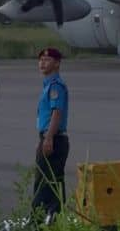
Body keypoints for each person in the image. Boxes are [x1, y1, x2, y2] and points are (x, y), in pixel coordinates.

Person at [32, 47, 70, 221]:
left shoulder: (55, 86)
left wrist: (48, 139)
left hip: (53, 137)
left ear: (57, 63)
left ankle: (40, 217)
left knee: (46, 180)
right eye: (40, 60)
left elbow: (56, 112)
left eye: (47, 60)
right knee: (50, 179)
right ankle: (53, 216)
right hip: (49, 136)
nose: (42, 63)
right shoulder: (47, 85)